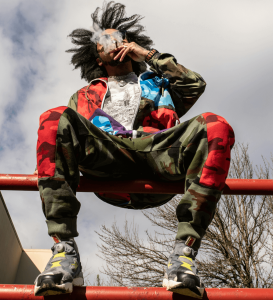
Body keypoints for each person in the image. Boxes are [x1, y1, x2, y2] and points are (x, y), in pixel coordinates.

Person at [34, 1, 235, 298]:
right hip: (109, 156)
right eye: (104, 40)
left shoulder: (159, 82)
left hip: (159, 153)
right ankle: (64, 252)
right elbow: (64, 136)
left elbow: (195, 84)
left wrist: (148, 55)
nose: (113, 42)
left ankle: (184, 255)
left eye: (119, 37)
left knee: (216, 125)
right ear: (97, 56)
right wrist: (46, 163)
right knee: (52, 118)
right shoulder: (85, 95)